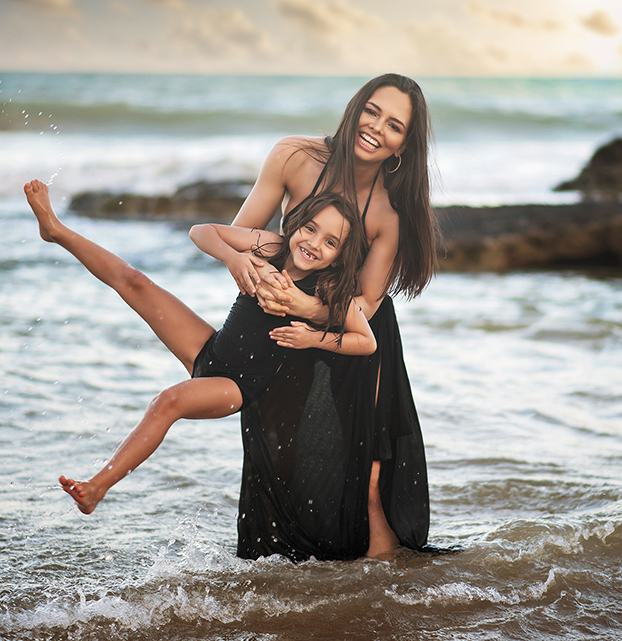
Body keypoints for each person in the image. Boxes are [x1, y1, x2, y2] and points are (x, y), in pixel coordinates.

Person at [23, 179, 375, 516]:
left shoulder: (328, 289)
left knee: (168, 401)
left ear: (340, 257)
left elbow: (366, 342)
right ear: (297, 224)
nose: (314, 243)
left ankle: (97, 487)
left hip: (238, 387)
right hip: (210, 348)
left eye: (331, 242)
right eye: (311, 229)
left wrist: (314, 338)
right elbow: (201, 231)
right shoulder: (272, 246)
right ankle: (56, 230)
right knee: (134, 281)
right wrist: (231, 257)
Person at [217, 72, 438, 561]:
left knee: (370, 469)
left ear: (403, 146)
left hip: (357, 334)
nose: (377, 127)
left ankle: (381, 578)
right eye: (372, 111)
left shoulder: (387, 213)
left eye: (395, 125)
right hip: (288, 321)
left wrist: (307, 308)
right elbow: (243, 237)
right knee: (275, 447)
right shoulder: (294, 157)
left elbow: (367, 305)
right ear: (355, 107)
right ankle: (281, 568)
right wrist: (249, 271)